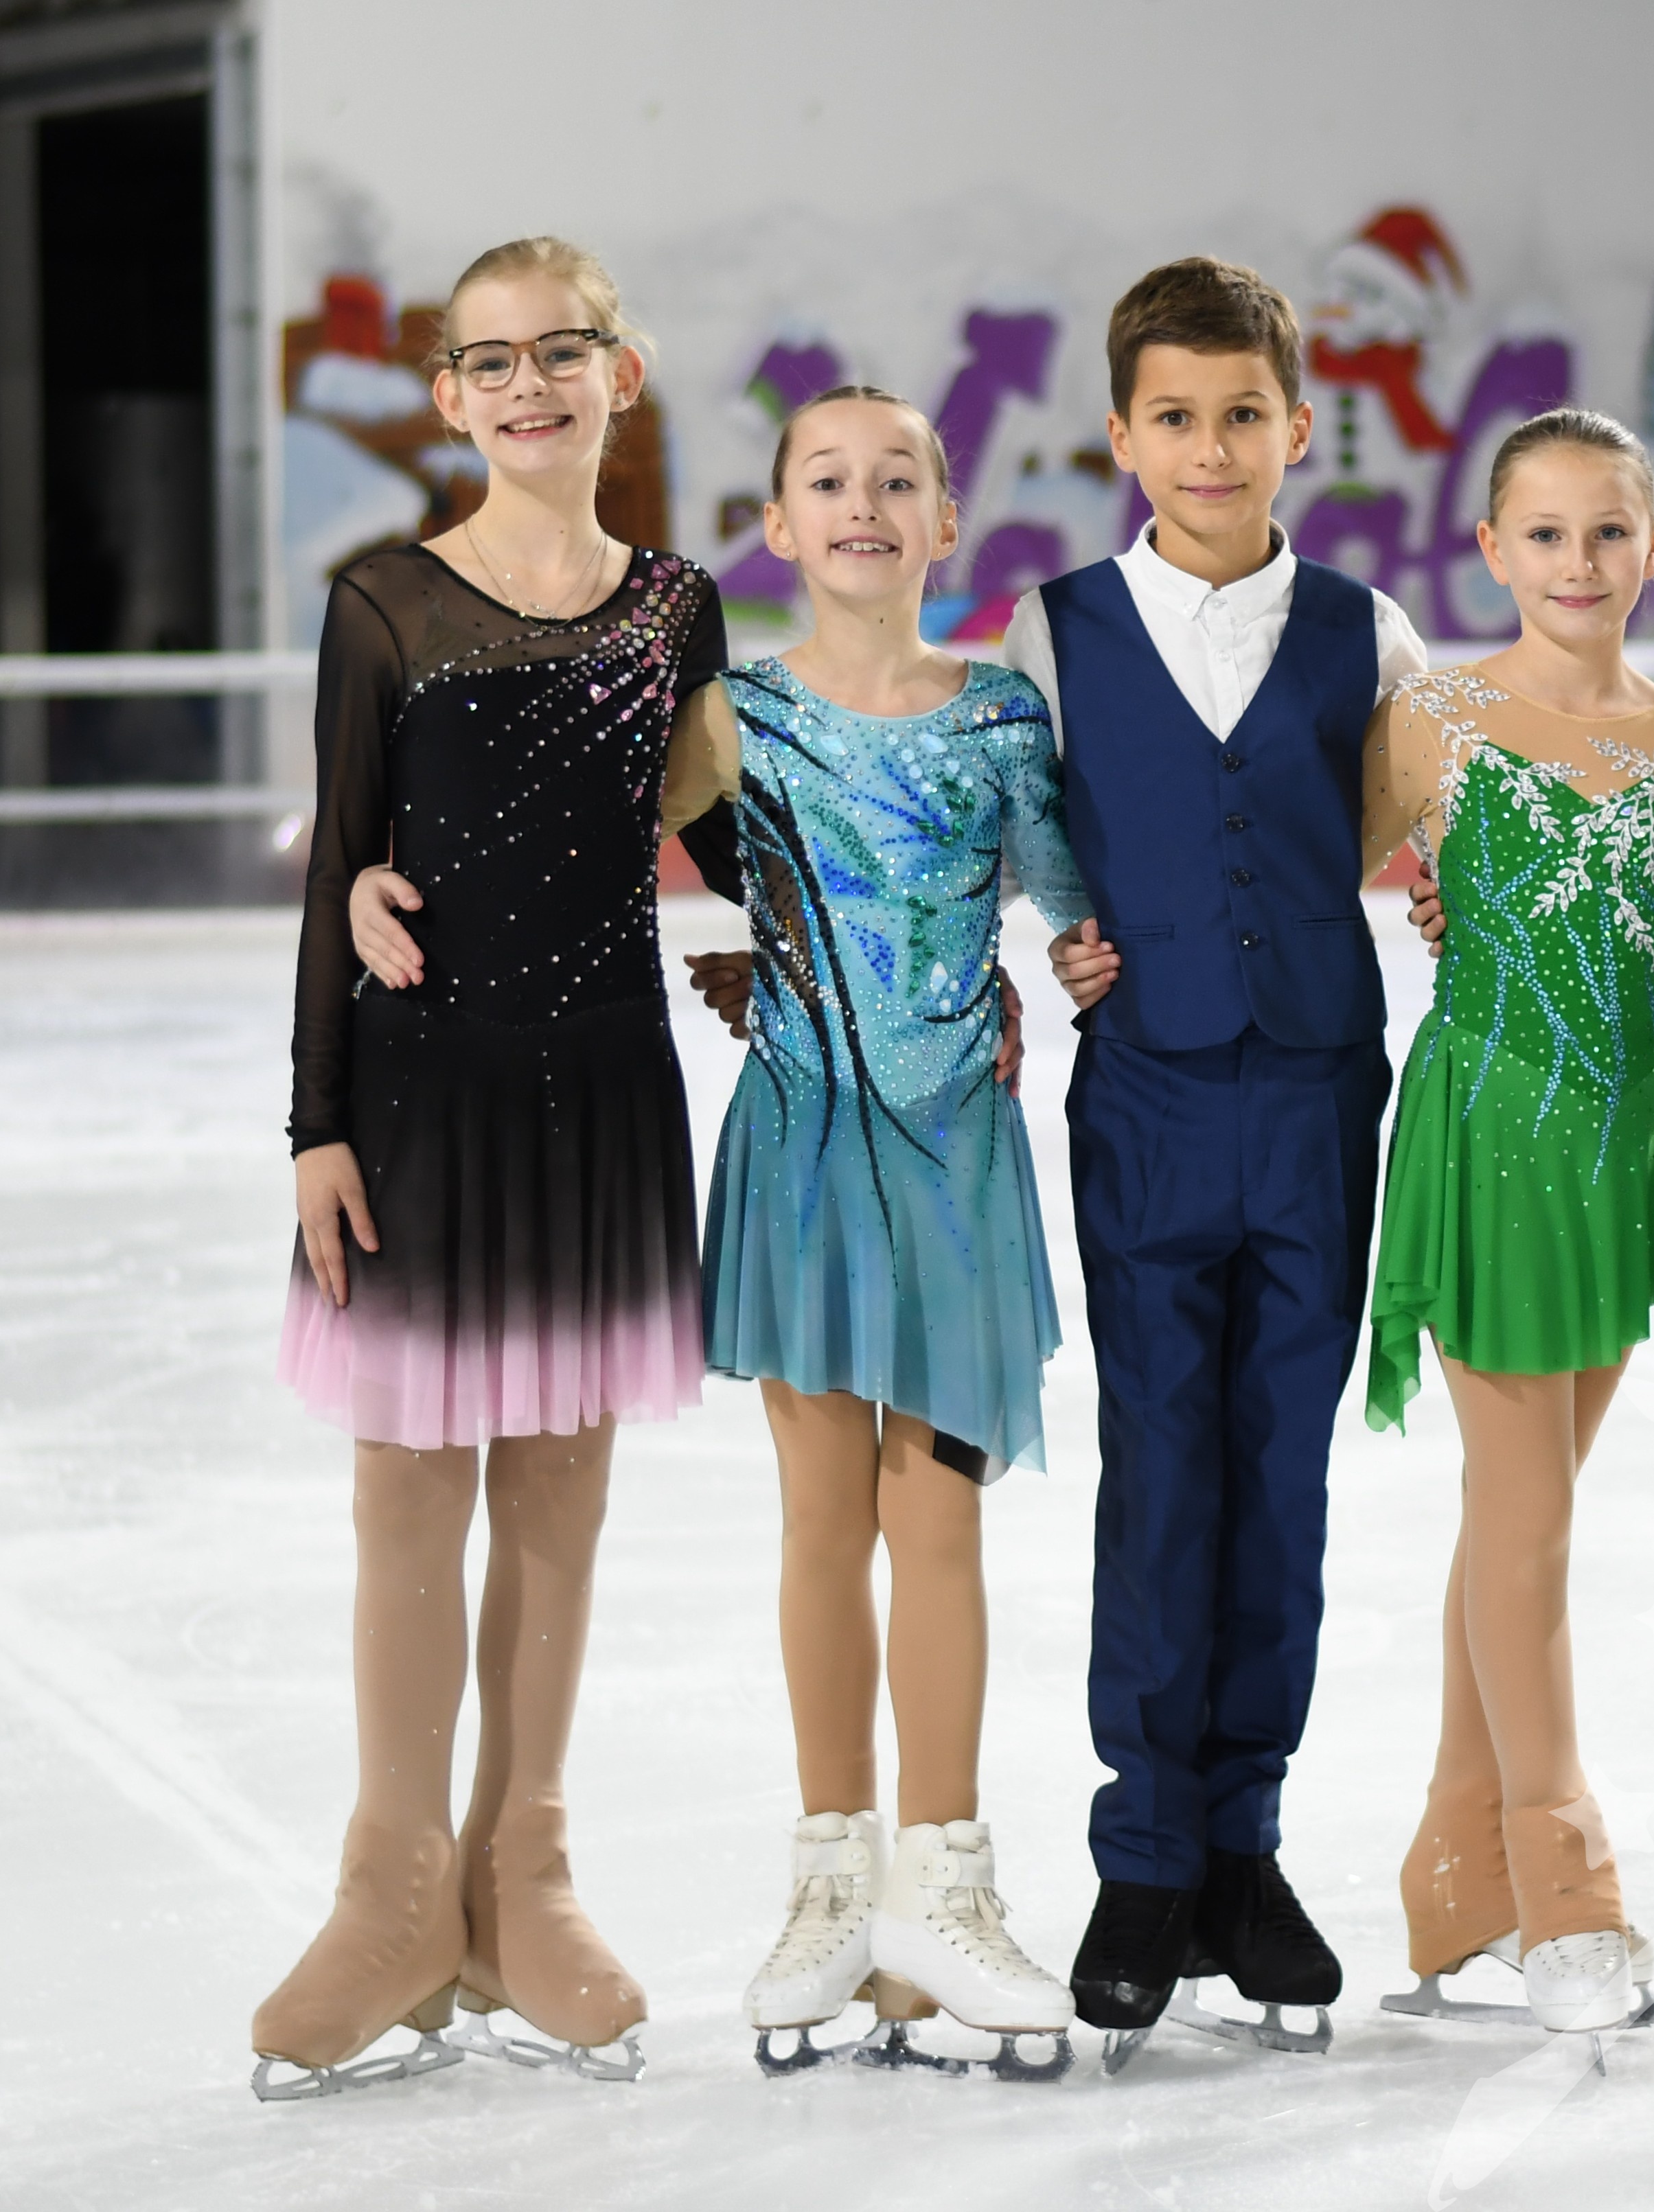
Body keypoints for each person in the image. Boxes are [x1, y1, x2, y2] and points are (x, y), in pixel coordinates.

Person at [255, 236, 725, 2096]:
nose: (531, 386)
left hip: (602, 1090)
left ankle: (519, 1872)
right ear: (449, 394)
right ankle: (390, 1890)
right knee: (405, 1488)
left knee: (558, 1490)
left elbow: (734, 829)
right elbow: (340, 867)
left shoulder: (676, 610)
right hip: (420, 1095)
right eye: (493, 361)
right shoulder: (383, 603)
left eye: (563, 351)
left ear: (622, 372)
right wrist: (313, 1122)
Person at [992, 257, 1431, 2063]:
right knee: (1161, 1460)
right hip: (1150, 1096)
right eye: (1173, 416)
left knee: (1281, 1470)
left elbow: (1415, 818)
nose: (1210, 446)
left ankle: (1246, 1842)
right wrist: (1063, 935)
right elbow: (1013, 821)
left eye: (1242, 414)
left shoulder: (1365, 630)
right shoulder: (1054, 630)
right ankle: (1145, 1856)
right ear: (1121, 433)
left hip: (1319, 1088)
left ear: (1296, 428)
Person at [661, 386, 1087, 2077]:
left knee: (941, 1523)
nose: (862, 503)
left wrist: (1081, 968)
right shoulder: (732, 719)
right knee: (819, 1519)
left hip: (958, 1160)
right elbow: (604, 843)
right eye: (827, 480)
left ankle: (944, 1885)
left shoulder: (1000, 716)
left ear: (943, 521)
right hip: (802, 1150)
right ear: (777, 526)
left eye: (896, 478)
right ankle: (832, 1884)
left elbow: (1080, 906)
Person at [1359, 410, 1654, 2040]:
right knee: (1525, 1520)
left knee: (1516, 1514)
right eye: (1543, 532)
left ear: (1653, 544)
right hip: (1489, 1131)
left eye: (1607, 531)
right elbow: (1287, 879)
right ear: (1490, 551)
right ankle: (1566, 1883)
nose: (1577, 561)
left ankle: (1454, 1877)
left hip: (1620, 1137)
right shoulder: (1430, 721)